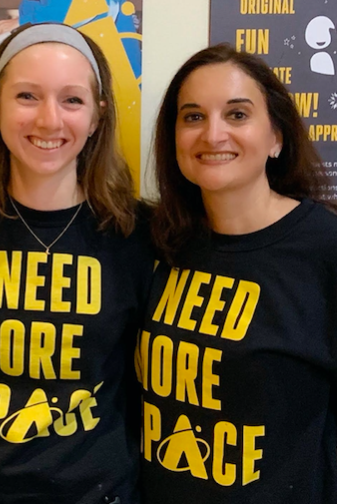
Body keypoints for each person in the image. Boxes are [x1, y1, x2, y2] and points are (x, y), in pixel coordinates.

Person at [0, 23, 153, 504]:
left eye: (72, 100)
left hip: (95, 492)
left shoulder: (136, 231)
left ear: (98, 117)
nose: (49, 119)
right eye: (27, 96)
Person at [139, 44, 337, 503]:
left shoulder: (324, 249)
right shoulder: (160, 242)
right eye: (192, 117)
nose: (213, 134)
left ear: (276, 137)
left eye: (237, 114)